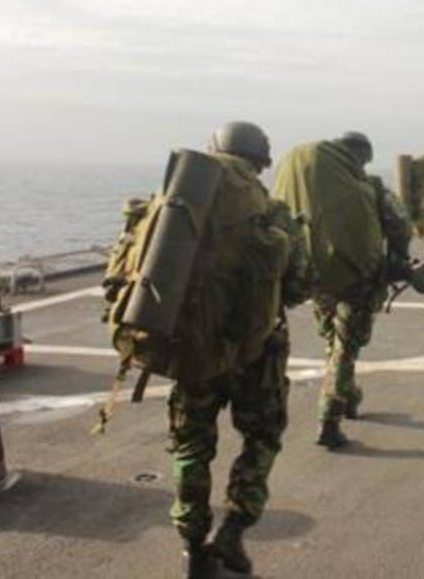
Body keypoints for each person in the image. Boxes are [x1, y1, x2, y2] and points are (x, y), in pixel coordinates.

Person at [169, 122, 310, 578]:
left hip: (193, 351)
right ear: (259, 162)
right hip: (256, 352)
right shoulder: (273, 212)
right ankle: (232, 532)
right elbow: (299, 286)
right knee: (261, 437)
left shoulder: (175, 207)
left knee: (191, 446)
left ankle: (192, 548)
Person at [308, 132, 414, 449]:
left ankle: (349, 395)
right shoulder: (372, 188)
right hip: (358, 279)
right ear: (363, 157)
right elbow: (400, 225)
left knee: (333, 340)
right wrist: (399, 259)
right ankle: (329, 417)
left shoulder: (314, 188)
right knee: (346, 347)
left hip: (320, 277)